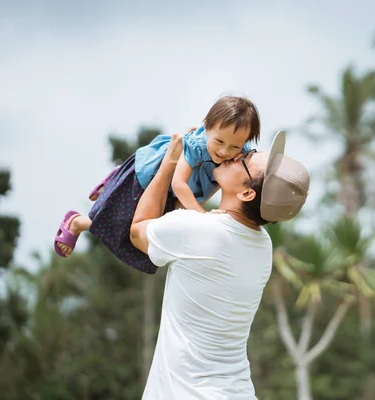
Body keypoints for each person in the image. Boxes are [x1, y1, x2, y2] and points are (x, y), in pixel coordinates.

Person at [129, 130, 309, 399]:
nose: (236, 154)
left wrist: (170, 162)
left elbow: (137, 232)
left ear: (247, 193)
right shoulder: (262, 246)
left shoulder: (200, 231)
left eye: (245, 158)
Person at [53, 95, 260, 274]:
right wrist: (202, 215)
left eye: (234, 146)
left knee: (155, 230)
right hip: (154, 175)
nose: (225, 151)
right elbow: (179, 183)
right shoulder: (196, 147)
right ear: (207, 126)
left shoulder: (240, 150)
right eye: (220, 142)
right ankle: (79, 218)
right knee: (123, 223)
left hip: (181, 190)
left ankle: (109, 190)